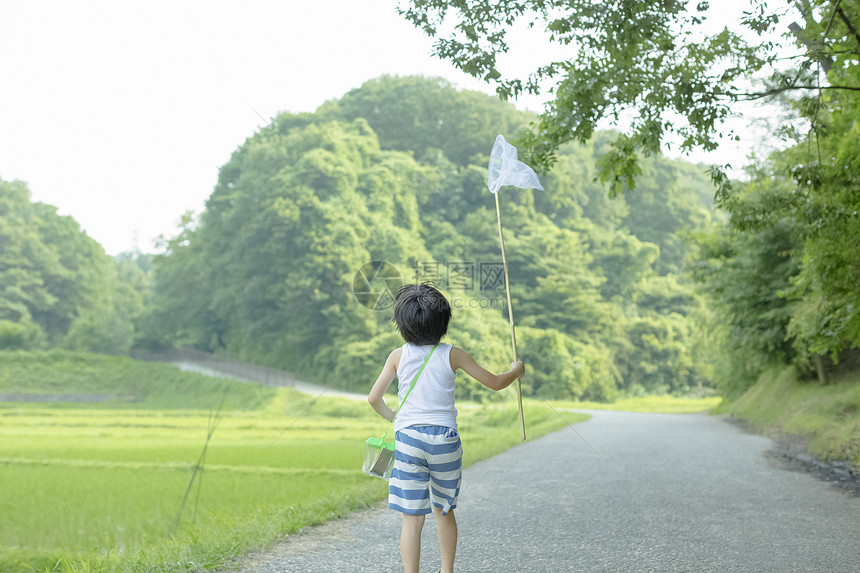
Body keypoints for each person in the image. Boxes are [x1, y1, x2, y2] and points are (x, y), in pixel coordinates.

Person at [367, 282, 525, 573]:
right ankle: (446, 570)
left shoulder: (397, 356)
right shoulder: (454, 354)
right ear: (443, 323)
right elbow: (495, 382)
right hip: (444, 439)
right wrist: (515, 371)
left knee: (412, 517)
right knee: (444, 509)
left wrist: (393, 417)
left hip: (408, 437)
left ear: (402, 325)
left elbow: (374, 398)